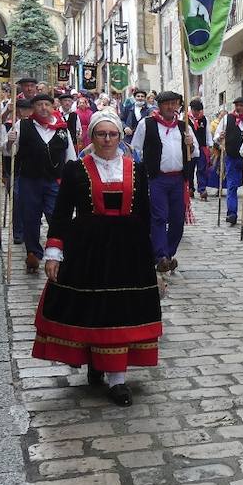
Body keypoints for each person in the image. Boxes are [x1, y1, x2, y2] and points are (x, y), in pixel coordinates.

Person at [34, 111, 161, 407]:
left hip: (129, 250)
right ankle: (95, 358)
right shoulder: (74, 169)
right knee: (93, 308)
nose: (107, 139)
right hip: (88, 249)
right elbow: (62, 214)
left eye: (113, 134)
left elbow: (144, 213)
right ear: (91, 137)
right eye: (101, 134)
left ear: (121, 137)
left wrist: (151, 252)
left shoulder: (136, 169)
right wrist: (54, 252)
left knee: (120, 311)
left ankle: (117, 380)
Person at [130, 91, 194, 273]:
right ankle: (160, 256)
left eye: (175, 103)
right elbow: (135, 149)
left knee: (177, 219)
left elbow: (194, 152)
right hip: (157, 179)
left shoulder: (184, 126)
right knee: (159, 217)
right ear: (159, 105)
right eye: (167, 103)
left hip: (178, 179)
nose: (171, 107)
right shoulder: (147, 124)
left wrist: (191, 143)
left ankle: (168, 252)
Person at [10, 93, 73, 273]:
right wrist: (9, 142)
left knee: (55, 215)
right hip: (30, 180)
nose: (43, 108)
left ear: (53, 107)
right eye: (39, 105)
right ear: (33, 108)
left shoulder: (62, 129)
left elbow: (70, 157)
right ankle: (33, 253)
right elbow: (7, 152)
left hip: (54, 180)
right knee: (31, 216)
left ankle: (57, 250)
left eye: (47, 104)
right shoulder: (23, 125)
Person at [0, 95, 34, 246]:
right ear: (18, 112)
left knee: (33, 202)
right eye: (23, 110)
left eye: (29, 109)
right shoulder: (12, 126)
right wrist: (9, 142)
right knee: (18, 200)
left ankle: (31, 229)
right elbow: (3, 149)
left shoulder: (39, 125)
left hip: (35, 169)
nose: (26, 113)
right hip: (16, 168)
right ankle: (18, 232)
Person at [219, 97, 243, 226]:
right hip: (231, 157)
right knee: (231, 185)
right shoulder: (227, 119)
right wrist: (220, 137)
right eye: (237, 105)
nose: (238, 107)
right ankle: (232, 213)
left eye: (241, 105)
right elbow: (217, 135)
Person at [186, 99, 213, 200]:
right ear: (191, 109)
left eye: (199, 111)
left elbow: (207, 133)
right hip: (190, 147)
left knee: (202, 168)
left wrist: (209, 145)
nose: (197, 113)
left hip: (201, 147)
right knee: (190, 168)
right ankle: (190, 188)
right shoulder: (185, 119)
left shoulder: (204, 119)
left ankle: (202, 189)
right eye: (196, 111)